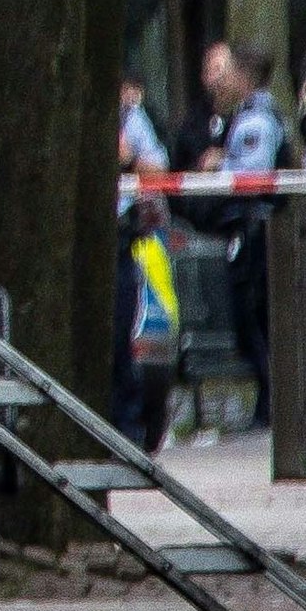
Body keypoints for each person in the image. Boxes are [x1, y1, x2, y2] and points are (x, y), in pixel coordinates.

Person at [201, 41, 287, 429]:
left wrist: (220, 168)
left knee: (252, 315)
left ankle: (272, 401)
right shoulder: (247, 115)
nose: (225, 79)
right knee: (251, 317)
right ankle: (268, 400)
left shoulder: (256, 121)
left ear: (246, 77)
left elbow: (252, 175)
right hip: (251, 226)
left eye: (232, 72)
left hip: (253, 227)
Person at [115, 73, 173, 450]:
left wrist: (129, 158)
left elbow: (157, 170)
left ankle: (128, 428)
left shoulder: (130, 118)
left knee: (120, 334)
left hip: (119, 236)